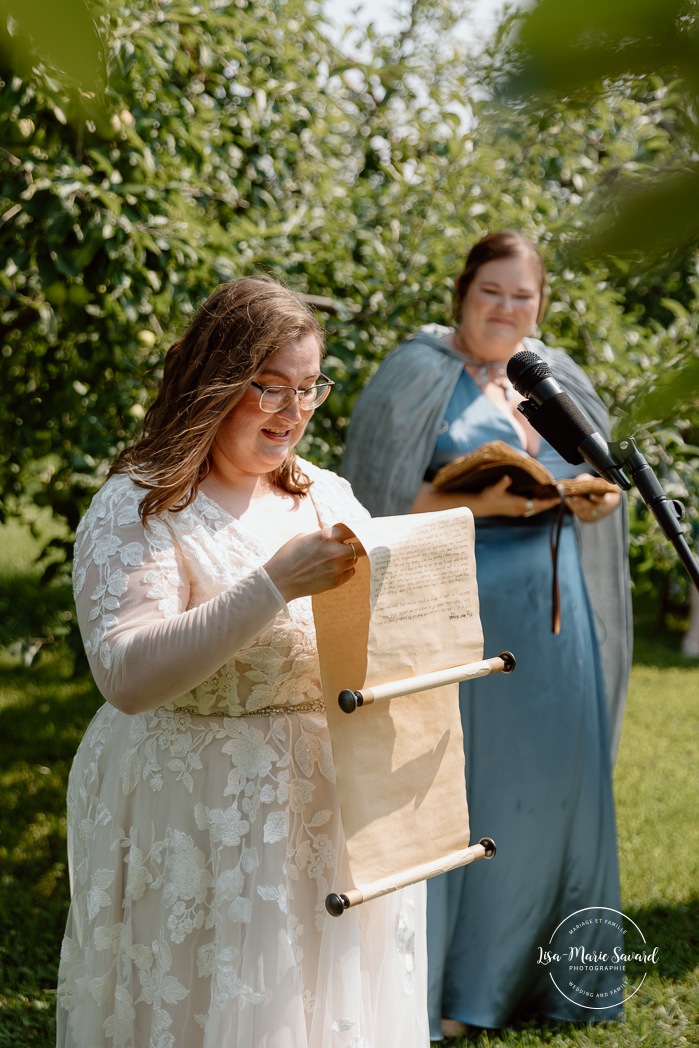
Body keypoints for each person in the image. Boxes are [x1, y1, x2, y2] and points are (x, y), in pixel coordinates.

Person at [56, 277, 429, 1048]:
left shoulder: (326, 495)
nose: (294, 413)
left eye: (308, 388)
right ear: (213, 384)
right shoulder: (142, 505)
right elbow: (125, 677)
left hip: (330, 803)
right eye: (270, 389)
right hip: (200, 811)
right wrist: (271, 586)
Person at [341, 231, 632, 1036]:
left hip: (556, 614)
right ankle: (459, 991)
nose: (506, 309)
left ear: (541, 304)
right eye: (490, 292)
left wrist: (594, 498)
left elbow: (600, 470)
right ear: (460, 295)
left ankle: (549, 984)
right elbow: (371, 499)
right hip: (454, 617)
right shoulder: (412, 376)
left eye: (522, 295)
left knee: (554, 791)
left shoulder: (554, 378)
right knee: (465, 796)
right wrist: (484, 506)